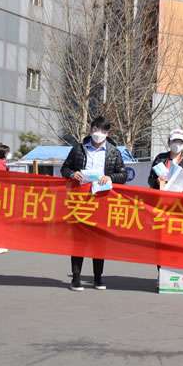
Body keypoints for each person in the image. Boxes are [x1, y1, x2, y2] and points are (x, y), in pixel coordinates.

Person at [61, 116, 127, 291]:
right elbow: (64, 168)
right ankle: (76, 278)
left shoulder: (114, 152)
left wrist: (110, 177)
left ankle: (98, 278)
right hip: (80, 201)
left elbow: (123, 175)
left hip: (102, 200)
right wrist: (72, 174)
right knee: (79, 239)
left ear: (108, 133)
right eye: (96, 129)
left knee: (99, 240)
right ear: (91, 130)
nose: (99, 133)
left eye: (103, 130)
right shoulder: (78, 149)